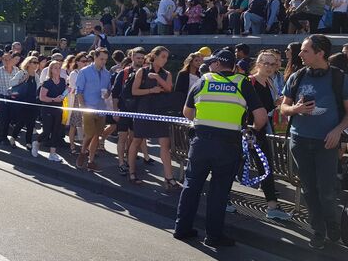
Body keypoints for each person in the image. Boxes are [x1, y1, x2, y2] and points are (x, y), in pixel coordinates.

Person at [174, 49, 268, 247]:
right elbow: (261, 118)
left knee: (191, 186)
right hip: (227, 145)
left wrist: (204, 121)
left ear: (217, 63)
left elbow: (187, 112)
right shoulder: (242, 83)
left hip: (200, 143)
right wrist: (251, 129)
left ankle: (182, 229)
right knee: (219, 192)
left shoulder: (203, 80)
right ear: (233, 66)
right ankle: (214, 237)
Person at [281, 34, 348, 249]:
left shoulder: (339, 77)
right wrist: (295, 109)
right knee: (309, 189)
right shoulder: (297, 76)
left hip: (326, 143)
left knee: (327, 190)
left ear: (320, 53)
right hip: (300, 140)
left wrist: (337, 131)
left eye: (305, 50)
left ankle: (332, 223)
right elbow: (283, 107)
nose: (300, 54)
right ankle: (318, 230)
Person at [248, 51, 292, 220]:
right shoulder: (250, 82)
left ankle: (272, 206)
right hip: (249, 131)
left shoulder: (269, 83)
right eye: (265, 63)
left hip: (259, 131)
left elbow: (265, 106)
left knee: (265, 167)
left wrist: (276, 104)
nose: (269, 67)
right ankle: (225, 199)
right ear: (258, 64)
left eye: (272, 64)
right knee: (237, 167)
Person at [127, 46, 177, 188]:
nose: (165, 60)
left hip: (160, 111)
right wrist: (151, 90)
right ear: (154, 56)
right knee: (137, 140)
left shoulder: (166, 74)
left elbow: (168, 88)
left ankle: (169, 177)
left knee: (164, 144)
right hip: (143, 110)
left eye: (166, 57)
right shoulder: (141, 71)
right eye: (163, 57)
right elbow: (134, 91)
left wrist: (156, 78)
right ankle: (131, 172)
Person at [111, 47, 148, 176]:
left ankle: (129, 160)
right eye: (138, 58)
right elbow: (115, 94)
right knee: (122, 137)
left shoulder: (147, 73)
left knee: (134, 139)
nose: (140, 60)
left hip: (139, 111)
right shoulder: (123, 73)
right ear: (132, 58)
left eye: (142, 58)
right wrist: (115, 110)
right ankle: (121, 163)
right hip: (124, 109)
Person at [75, 47, 111, 172]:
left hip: (101, 108)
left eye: (105, 59)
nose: (103, 62)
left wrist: (107, 94)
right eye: (101, 59)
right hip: (88, 107)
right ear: (95, 57)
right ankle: (82, 153)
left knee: (97, 135)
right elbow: (78, 91)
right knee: (90, 133)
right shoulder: (84, 72)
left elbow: (108, 90)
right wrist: (82, 107)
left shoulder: (107, 73)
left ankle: (91, 161)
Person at [33, 61, 67, 162]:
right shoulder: (47, 83)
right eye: (55, 68)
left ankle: (52, 153)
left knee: (56, 131)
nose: (58, 69)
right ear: (51, 70)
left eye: (59, 67)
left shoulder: (63, 81)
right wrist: (53, 99)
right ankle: (36, 143)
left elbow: (62, 94)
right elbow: (42, 97)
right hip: (47, 109)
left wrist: (66, 92)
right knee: (47, 131)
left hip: (58, 108)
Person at [9, 56, 40, 151]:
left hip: (32, 102)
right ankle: (13, 138)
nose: (36, 64)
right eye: (34, 62)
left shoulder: (36, 75)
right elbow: (11, 83)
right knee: (21, 122)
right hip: (22, 101)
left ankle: (28, 142)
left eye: (37, 62)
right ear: (28, 63)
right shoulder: (22, 73)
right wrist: (22, 80)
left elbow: (38, 87)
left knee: (31, 124)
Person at [0, 51, 19, 145]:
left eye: (8, 59)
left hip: (13, 97)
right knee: (4, 118)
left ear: (12, 60)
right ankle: (3, 137)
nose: (6, 61)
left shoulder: (16, 70)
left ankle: (11, 136)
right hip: (2, 96)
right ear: (2, 60)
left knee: (13, 117)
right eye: (4, 60)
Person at [67, 52, 88, 155]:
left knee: (85, 125)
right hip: (76, 99)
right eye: (83, 61)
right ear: (78, 62)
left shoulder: (87, 72)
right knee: (73, 124)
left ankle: (84, 146)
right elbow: (74, 88)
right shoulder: (74, 73)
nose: (85, 63)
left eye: (86, 61)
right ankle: (72, 145)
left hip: (87, 99)